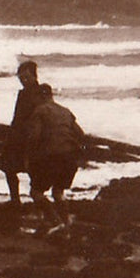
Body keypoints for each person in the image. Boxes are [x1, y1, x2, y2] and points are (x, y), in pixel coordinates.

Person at [25, 83, 86, 232]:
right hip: (69, 157)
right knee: (58, 192)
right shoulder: (65, 111)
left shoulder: (40, 111)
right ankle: (66, 223)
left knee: (36, 192)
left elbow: (34, 137)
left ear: (41, 96)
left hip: (51, 158)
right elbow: (80, 134)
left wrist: (28, 158)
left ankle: (55, 221)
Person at [2, 60, 41, 208]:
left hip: (31, 137)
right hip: (19, 136)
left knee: (30, 170)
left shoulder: (38, 93)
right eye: (21, 78)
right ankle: (16, 200)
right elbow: (17, 117)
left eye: (25, 77)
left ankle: (27, 200)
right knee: (9, 168)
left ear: (34, 75)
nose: (23, 81)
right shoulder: (25, 93)